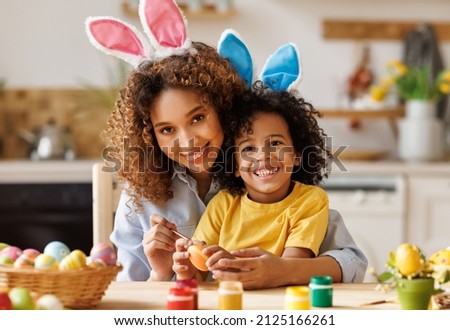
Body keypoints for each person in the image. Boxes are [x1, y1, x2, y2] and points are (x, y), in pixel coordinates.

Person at [86, 0, 367, 285]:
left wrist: (284, 270)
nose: (187, 141)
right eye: (167, 129)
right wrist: (160, 273)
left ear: (221, 108)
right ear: (150, 136)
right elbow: (127, 296)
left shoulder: (262, 174)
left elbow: (352, 262)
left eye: (197, 118)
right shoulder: (142, 197)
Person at [173, 82, 331, 286]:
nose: (263, 156)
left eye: (275, 143)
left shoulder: (309, 200)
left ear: (297, 155)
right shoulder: (223, 204)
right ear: (235, 165)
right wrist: (187, 269)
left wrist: (233, 264)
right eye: (248, 149)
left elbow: (289, 267)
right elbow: (199, 273)